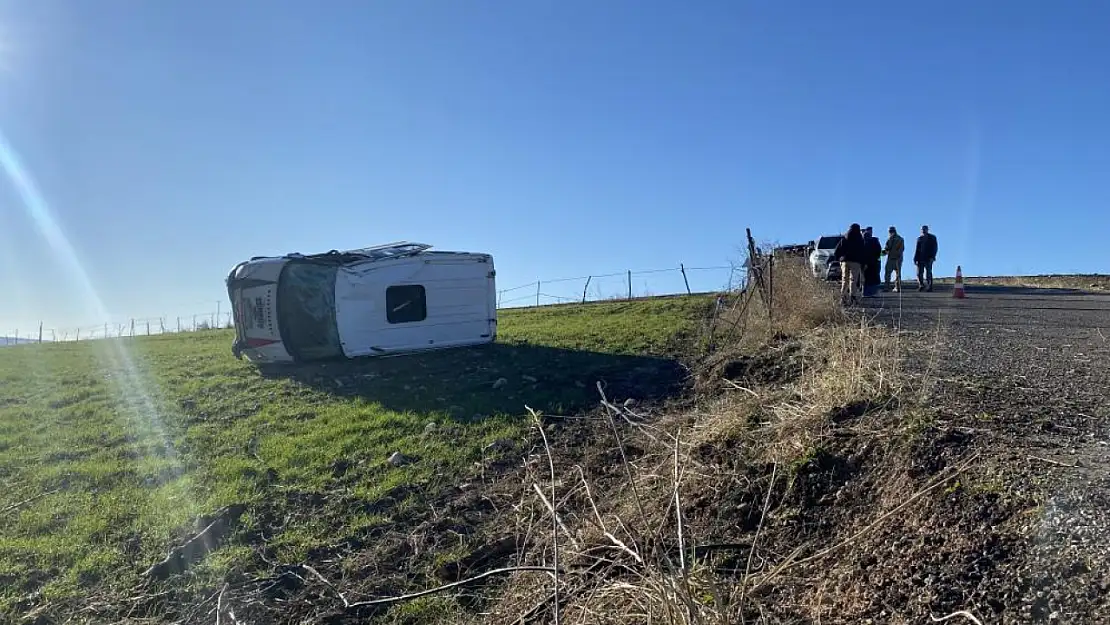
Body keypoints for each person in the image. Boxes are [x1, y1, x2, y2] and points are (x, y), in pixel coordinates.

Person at [833, 223, 866, 305]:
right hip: (855, 262)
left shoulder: (844, 238)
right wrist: (863, 263)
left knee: (845, 280)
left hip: (845, 261)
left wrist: (839, 259)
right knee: (853, 280)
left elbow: (836, 250)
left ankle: (843, 298)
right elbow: (863, 252)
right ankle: (853, 298)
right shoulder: (860, 240)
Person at [914, 225, 938, 291]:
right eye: (922, 229)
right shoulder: (919, 239)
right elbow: (917, 250)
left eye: (924, 229)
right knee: (919, 273)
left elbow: (935, 248)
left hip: (929, 258)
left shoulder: (932, 237)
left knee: (928, 273)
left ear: (927, 230)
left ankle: (929, 287)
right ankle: (921, 285)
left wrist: (933, 257)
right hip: (920, 258)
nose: (923, 230)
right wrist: (915, 259)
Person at [861, 227, 883, 297]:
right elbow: (879, 251)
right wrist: (876, 258)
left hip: (865, 263)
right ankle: (872, 292)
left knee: (865, 278)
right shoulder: (874, 241)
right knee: (872, 278)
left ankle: (865, 293)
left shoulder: (862, 243)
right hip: (873, 263)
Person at [883, 226, 905, 292]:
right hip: (899, 258)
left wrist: (880, 255)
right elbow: (902, 249)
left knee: (887, 273)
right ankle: (898, 287)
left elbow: (886, 249)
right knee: (898, 274)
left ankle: (887, 287)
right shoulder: (901, 239)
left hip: (891, 258)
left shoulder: (890, 239)